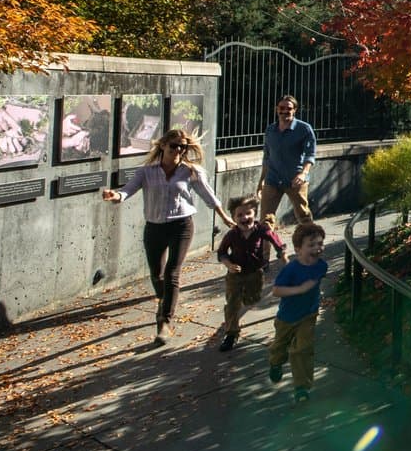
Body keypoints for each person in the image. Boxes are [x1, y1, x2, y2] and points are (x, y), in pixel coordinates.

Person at [102, 128, 235, 345]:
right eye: (174, 145)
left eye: (182, 147)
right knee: (157, 274)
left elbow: (208, 196)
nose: (178, 150)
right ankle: (163, 300)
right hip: (154, 227)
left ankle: (164, 322)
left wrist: (225, 217)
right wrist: (115, 195)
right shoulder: (147, 172)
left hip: (181, 226)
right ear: (163, 145)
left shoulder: (190, 171)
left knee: (172, 273)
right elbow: (128, 190)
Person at [213, 196, 285, 352]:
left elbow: (276, 241)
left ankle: (246, 298)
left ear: (255, 214)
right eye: (239, 215)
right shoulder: (232, 235)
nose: (244, 218)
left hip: (255, 273)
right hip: (235, 274)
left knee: (252, 299)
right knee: (232, 303)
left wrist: (282, 254)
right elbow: (222, 253)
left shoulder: (261, 230)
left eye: (248, 213)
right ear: (234, 218)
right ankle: (231, 334)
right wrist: (229, 265)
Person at [267, 223, 328, 404]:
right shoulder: (291, 269)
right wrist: (299, 289)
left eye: (320, 243)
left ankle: (302, 387)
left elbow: (315, 280)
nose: (317, 248)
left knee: (303, 349)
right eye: (311, 245)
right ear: (298, 249)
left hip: (308, 315)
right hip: (286, 317)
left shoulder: (322, 266)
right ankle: (276, 363)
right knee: (279, 347)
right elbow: (276, 291)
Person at [257, 95, 317, 229]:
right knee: (265, 219)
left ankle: (311, 240)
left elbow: (310, 154)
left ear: (294, 110)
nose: (285, 111)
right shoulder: (270, 130)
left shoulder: (304, 129)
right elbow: (267, 157)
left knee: (303, 215)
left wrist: (303, 173)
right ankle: (265, 243)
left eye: (289, 108)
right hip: (273, 179)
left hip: (295, 179)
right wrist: (261, 180)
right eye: (281, 108)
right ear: (276, 109)